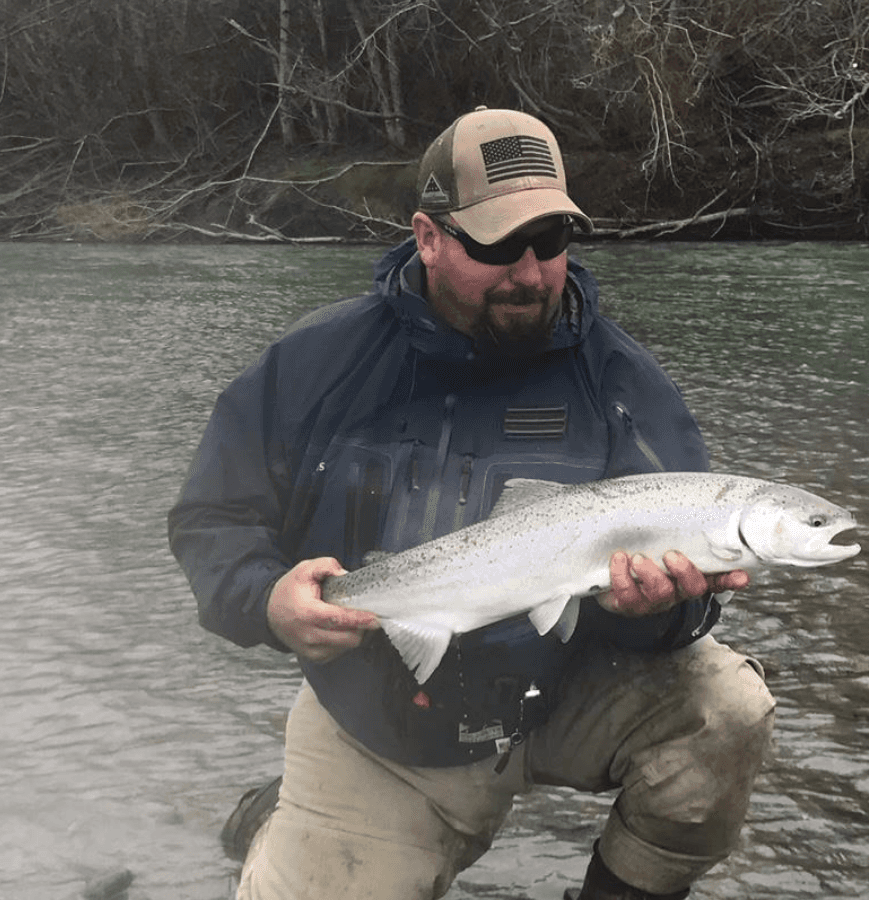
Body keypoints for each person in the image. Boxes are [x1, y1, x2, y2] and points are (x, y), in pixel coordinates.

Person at [168, 107, 775, 900]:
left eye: (549, 241)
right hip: (380, 727)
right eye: (494, 246)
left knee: (728, 709)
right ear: (427, 236)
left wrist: (656, 611)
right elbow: (211, 519)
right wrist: (269, 604)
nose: (528, 272)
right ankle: (275, 820)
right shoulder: (316, 367)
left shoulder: (623, 383)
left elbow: (684, 614)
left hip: (562, 689)